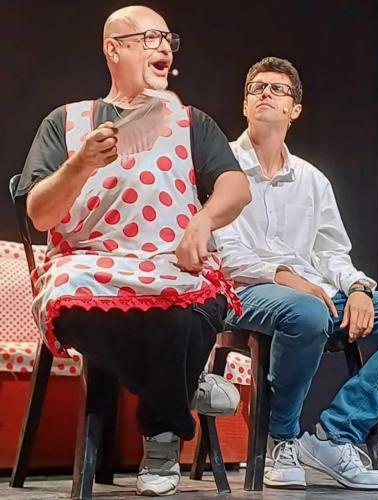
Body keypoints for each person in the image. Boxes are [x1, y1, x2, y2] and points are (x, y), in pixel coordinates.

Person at [16, 5, 250, 497]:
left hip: (169, 266)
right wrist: (80, 164)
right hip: (89, 268)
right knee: (70, 301)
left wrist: (203, 220)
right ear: (113, 49)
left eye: (167, 39)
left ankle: (162, 440)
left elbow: (236, 186)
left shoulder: (190, 122)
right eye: (149, 38)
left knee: (183, 313)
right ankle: (183, 386)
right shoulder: (67, 122)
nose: (163, 47)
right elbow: (39, 213)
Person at [214, 56, 378, 491]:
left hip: (317, 293)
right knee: (307, 311)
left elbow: (331, 252)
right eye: (257, 88)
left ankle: (334, 434)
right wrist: (287, 277)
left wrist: (358, 287)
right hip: (244, 291)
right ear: (245, 104)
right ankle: (282, 438)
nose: (266, 94)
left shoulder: (312, 179)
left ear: (294, 109)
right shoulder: (220, 167)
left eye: (277, 89)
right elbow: (224, 252)